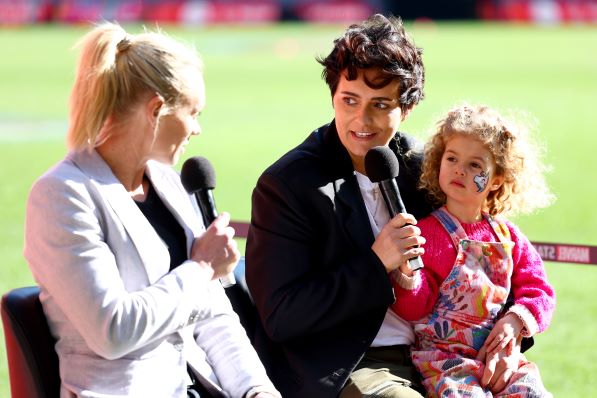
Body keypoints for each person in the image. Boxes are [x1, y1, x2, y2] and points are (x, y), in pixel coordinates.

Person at [246, 14, 526, 398]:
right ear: (333, 97)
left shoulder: (425, 168)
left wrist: (511, 330)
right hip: (352, 363)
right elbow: (281, 315)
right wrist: (376, 264)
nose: (361, 119)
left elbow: (491, 254)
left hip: (448, 356)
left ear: (406, 109)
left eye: (380, 104)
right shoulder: (288, 185)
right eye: (349, 100)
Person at [23, 22, 280, 398]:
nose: (197, 129)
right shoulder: (61, 195)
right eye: (194, 113)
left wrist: (256, 389)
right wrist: (202, 267)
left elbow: (213, 315)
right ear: (156, 110)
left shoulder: (170, 184)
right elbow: (112, 330)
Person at [390, 104, 556, 397]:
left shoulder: (509, 237)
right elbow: (415, 308)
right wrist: (406, 276)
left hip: (501, 359)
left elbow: (539, 290)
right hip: (445, 364)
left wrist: (515, 320)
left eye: (475, 165)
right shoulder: (427, 233)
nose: (459, 169)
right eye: (452, 158)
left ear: (496, 180)